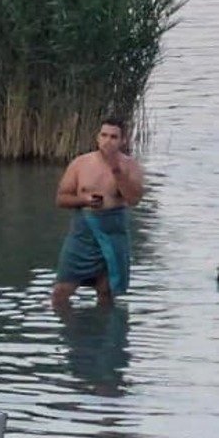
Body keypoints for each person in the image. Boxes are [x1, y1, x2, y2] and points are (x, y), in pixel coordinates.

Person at [52, 117, 145, 310]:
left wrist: (116, 170)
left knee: (106, 292)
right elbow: (61, 198)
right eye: (104, 135)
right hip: (82, 233)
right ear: (97, 137)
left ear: (122, 141)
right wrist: (84, 200)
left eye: (113, 137)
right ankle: (71, 337)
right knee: (61, 292)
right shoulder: (81, 163)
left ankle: (104, 336)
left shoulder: (130, 166)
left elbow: (134, 199)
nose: (107, 141)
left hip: (112, 233)